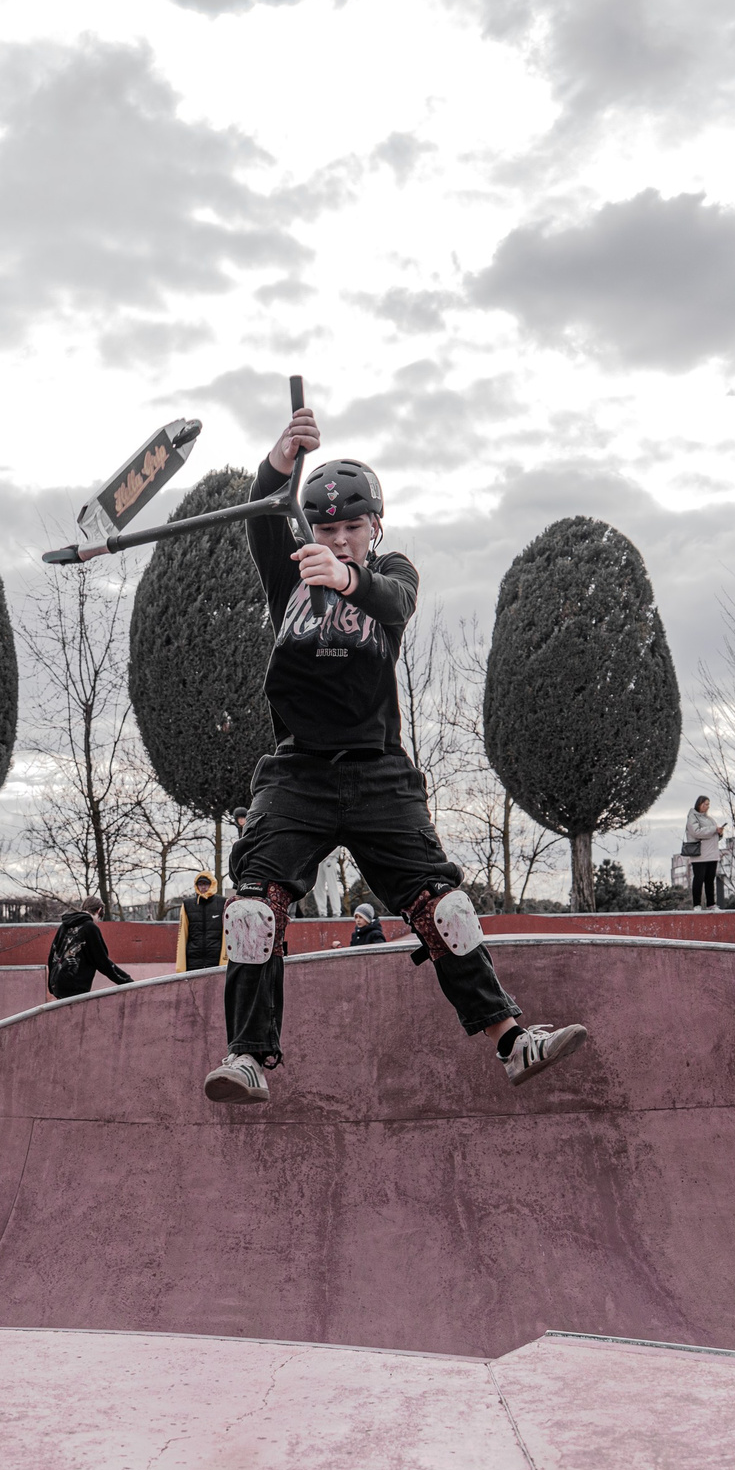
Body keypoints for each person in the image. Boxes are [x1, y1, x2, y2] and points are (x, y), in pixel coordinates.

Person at [200, 404, 589, 1105]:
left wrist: (347, 579)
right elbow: (264, 514)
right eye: (327, 530)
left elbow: (397, 599)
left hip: (380, 773)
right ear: (310, 530)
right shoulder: (288, 578)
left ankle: (512, 1040)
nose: (340, 540)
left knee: (446, 909)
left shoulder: (391, 570)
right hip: (298, 774)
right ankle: (248, 1057)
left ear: (375, 527)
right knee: (253, 911)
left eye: (353, 529)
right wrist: (280, 458)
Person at [48, 897, 134, 998]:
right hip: (75, 987)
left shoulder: (64, 926)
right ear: (99, 910)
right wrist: (127, 981)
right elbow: (102, 962)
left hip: (57, 984)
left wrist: (51, 983)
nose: (98, 920)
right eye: (100, 916)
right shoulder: (90, 928)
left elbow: (52, 954)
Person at [176, 872, 226, 972]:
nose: (203, 887)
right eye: (200, 884)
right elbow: (183, 934)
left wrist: (224, 961)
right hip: (193, 959)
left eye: (206, 884)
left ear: (211, 884)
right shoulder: (187, 904)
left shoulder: (222, 903)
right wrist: (181, 966)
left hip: (215, 957)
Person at [684, 796, 723, 910]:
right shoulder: (692, 817)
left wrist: (719, 833)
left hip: (712, 853)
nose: (707, 807)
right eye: (705, 804)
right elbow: (697, 832)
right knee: (699, 879)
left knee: (710, 880)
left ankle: (711, 904)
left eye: (708, 804)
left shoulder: (710, 819)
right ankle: (697, 905)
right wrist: (714, 829)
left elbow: (714, 835)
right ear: (699, 804)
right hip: (700, 854)